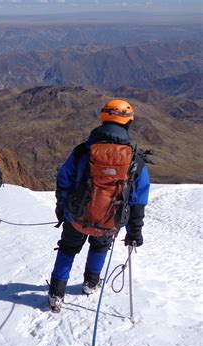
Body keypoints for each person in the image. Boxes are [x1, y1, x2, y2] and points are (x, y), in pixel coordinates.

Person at [48, 99, 150, 313]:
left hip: (76, 216)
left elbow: (64, 180)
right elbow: (138, 199)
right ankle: (91, 283)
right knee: (99, 247)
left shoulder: (82, 151)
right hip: (110, 219)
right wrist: (134, 231)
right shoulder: (135, 160)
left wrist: (62, 208)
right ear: (128, 123)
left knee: (67, 249)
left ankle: (56, 293)